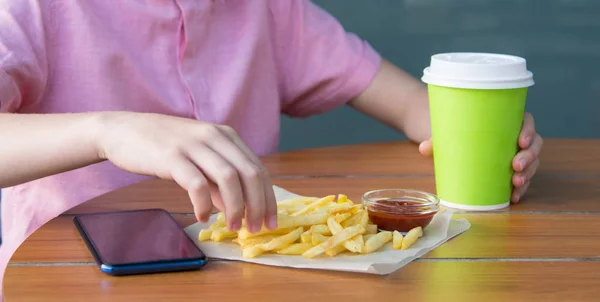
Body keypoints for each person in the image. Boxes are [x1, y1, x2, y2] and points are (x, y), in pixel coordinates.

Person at [0, 0, 543, 295]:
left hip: (248, 283)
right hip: (67, 280)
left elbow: (411, 106)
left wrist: (493, 135)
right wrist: (106, 131)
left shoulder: (270, 9)